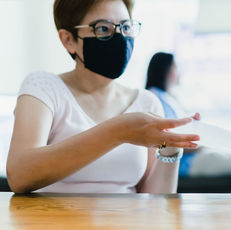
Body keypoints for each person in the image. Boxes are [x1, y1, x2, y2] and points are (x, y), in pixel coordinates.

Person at [6, 0, 200, 194]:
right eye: (103, 29)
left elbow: (154, 202)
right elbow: (20, 175)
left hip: (127, 223)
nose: (119, 37)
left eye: (125, 27)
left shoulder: (146, 103)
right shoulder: (44, 88)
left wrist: (171, 151)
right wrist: (118, 131)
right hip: (53, 223)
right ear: (68, 40)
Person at [146, 52, 231, 193]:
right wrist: (198, 143)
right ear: (165, 71)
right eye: (175, 68)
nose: (178, 73)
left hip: (191, 154)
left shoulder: (167, 98)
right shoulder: (155, 99)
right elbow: (163, 142)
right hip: (185, 162)